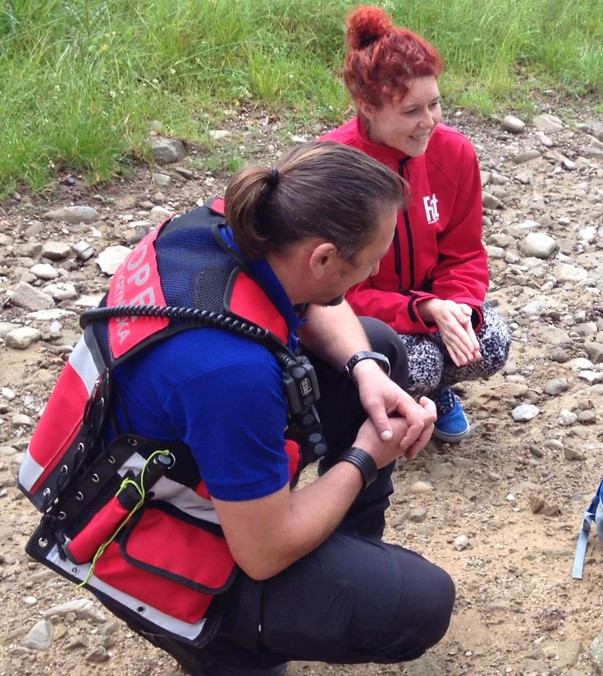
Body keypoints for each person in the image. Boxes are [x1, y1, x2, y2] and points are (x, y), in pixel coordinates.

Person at [19, 142, 454, 674]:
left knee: (377, 346)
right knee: (422, 604)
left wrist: (364, 368)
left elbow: (320, 304)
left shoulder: (236, 221)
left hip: (115, 452)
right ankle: (228, 642)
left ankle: (331, 567)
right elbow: (263, 552)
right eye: (370, 260)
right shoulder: (232, 373)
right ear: (321, 258)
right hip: (123, 531)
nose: (376, 270)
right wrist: (365, 458)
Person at [321, 6, 511, 444]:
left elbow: (464, 253)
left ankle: (430, 395)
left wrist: (458, 308)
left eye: (435, 103)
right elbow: (328, 293)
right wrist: (422, 310)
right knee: (412, 358)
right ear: (367, 106)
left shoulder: (454, 154)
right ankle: (369, 403)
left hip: (429, 308)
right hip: (356, 320)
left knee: (491, 340)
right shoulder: (334, 167)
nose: (429, 122)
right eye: (411, 111)